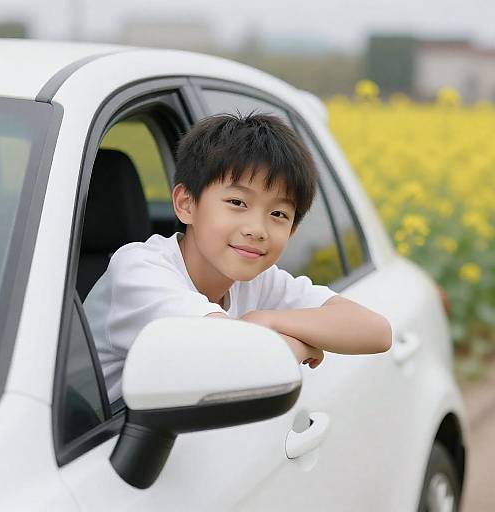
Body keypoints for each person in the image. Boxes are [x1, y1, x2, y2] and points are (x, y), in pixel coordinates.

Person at [83, 112, 392, 403]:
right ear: (186, 204)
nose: (257, 230)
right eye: (237, 202)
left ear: (293, 230)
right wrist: (303, 343)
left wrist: (266, 319)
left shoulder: (259, 281)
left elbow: (377, 332)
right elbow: (238, 353)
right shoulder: (140, 269)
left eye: (278, 214)